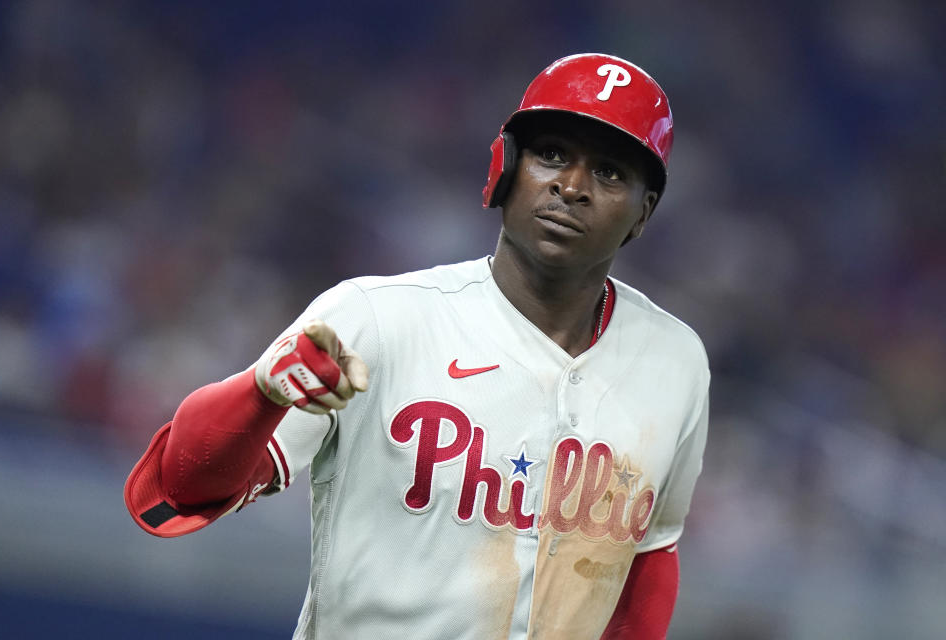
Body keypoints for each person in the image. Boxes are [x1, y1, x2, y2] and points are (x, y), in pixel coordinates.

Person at [125, 53, 709, 640]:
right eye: (551, 154)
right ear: (505, 167)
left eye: (610, 173)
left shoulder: (676, 363)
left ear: (643, 213)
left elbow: (646, 560)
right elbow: (179, 489)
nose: (572, 186)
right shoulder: (379, 319)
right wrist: (259, 395)